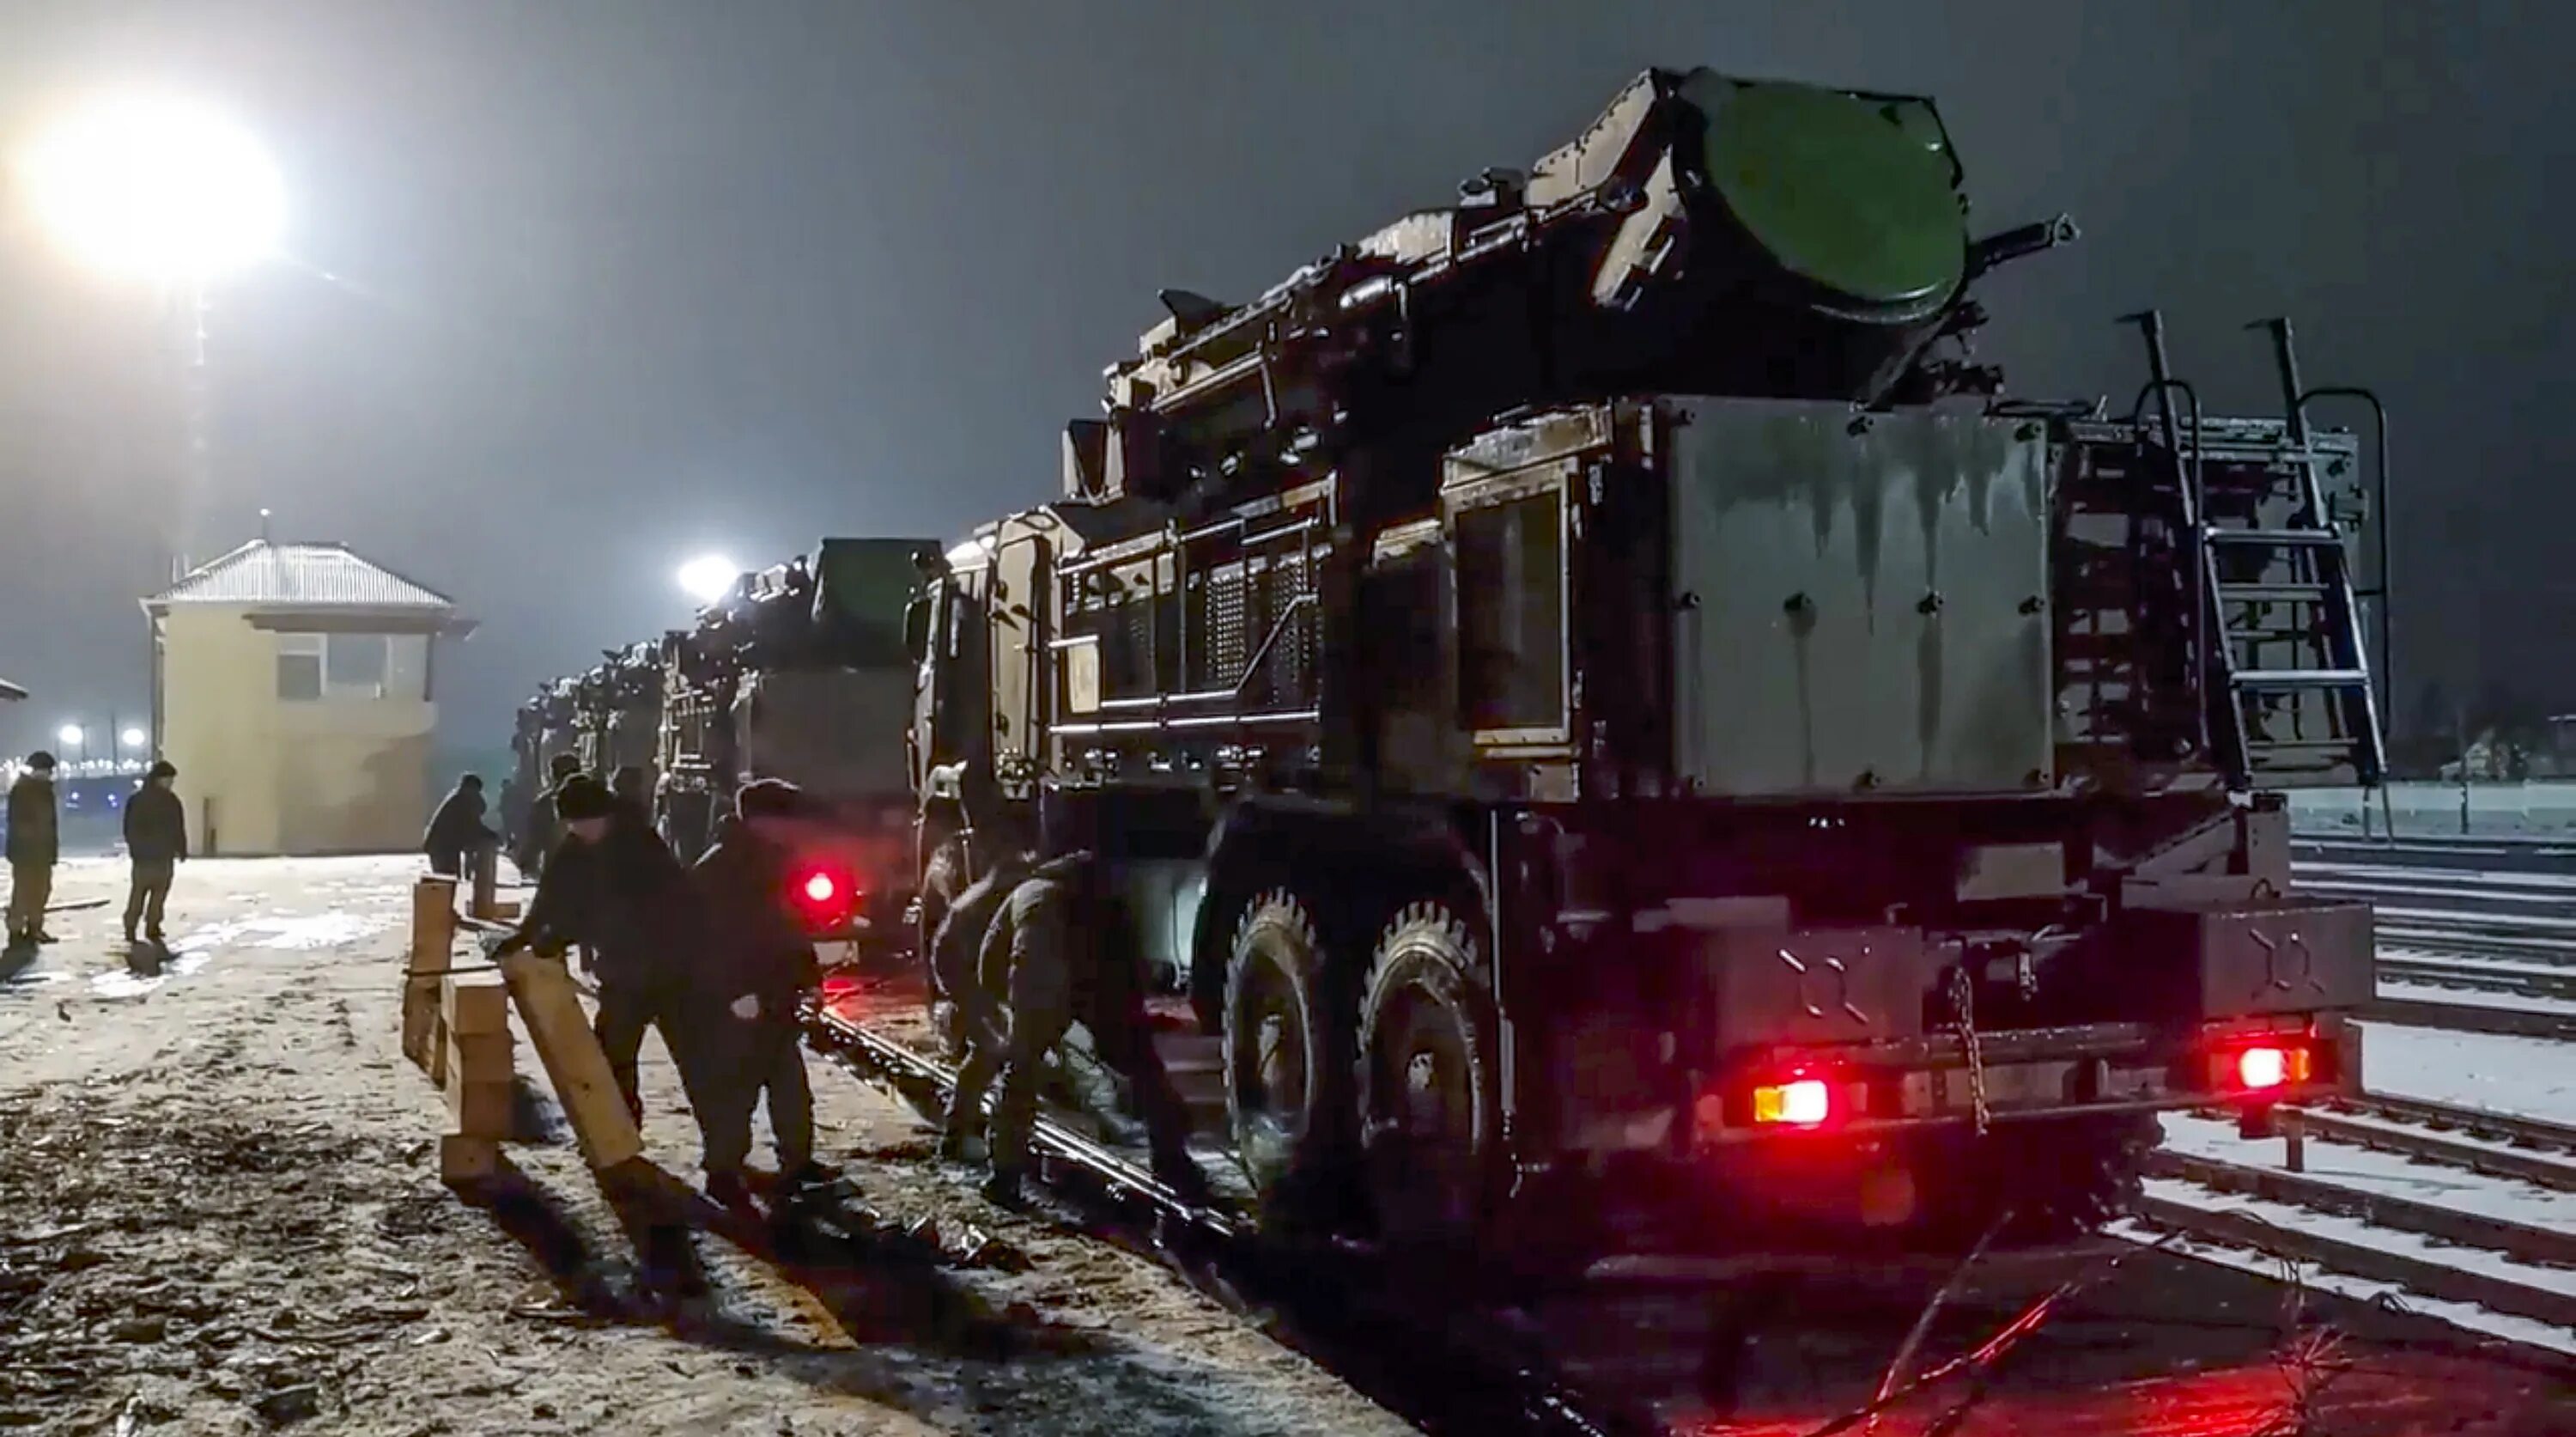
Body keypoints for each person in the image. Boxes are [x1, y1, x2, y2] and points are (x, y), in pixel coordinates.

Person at [942, 821, 1205, 1207]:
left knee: (1020, 1074)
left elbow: (990, 963)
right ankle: (1172, 1158)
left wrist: (1018, 1019)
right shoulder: (1107, 897)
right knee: (1142, 1067)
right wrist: (1127, 1021)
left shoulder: (1026, 893)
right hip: (1098, 974)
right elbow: (1128, 962)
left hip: (1041, 969)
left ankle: (1005, 1176)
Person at [492, 775, 714, 1129]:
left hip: (670, 973)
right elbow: (551, 895)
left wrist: (565, 934)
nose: (580, 830)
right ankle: (621, 1134)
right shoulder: (575, 848)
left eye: (585, 822)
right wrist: (525, 935)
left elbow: (622, 911)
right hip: (622, 976)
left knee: (697, 1063)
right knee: (613, 1061)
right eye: (572, 823)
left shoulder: (640, 845)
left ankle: (722, 1155)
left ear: (605, 814)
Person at [690, 778, 830, 1209]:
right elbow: (699, 942)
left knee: (789, 1084)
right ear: (758, 821)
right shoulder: (716, 869)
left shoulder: (778, 861)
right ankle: (722, 1169)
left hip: (778, 991)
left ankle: (797, 1161)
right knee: (736, 1088)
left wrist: (810, 980)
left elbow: (792, 928)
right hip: (739, 1001)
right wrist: (733, 993)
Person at [122, 760, 186, 946]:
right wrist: (180, 848)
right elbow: (177, 827)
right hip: (157, 855)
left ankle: (135, 926)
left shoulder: (138, 799)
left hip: (149, 856)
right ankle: (148, 925)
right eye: (169, 780)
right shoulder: (170, 801)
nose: (170, 784)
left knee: (143, 893)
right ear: (160, 779)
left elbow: (129, 828)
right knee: (154, 893)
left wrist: (135, 849)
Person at [6, 752, 60, 946]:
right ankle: (16, 930)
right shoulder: (23, 791)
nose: (49, 774)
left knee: (41, 890)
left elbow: (50, 825)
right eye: (46, 770)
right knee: (23, 892)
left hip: (40, 852)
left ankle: (34, 928)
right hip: (27, 853)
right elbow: (19, 824)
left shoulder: (44, 790)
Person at [422, 773, 498, 879]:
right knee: (446, 880)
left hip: (443, 846)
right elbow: (473, 825)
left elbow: (471, 825)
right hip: (442, 847)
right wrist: (490, 835)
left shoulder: (459, 796)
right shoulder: (464, 800)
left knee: (448, 881)